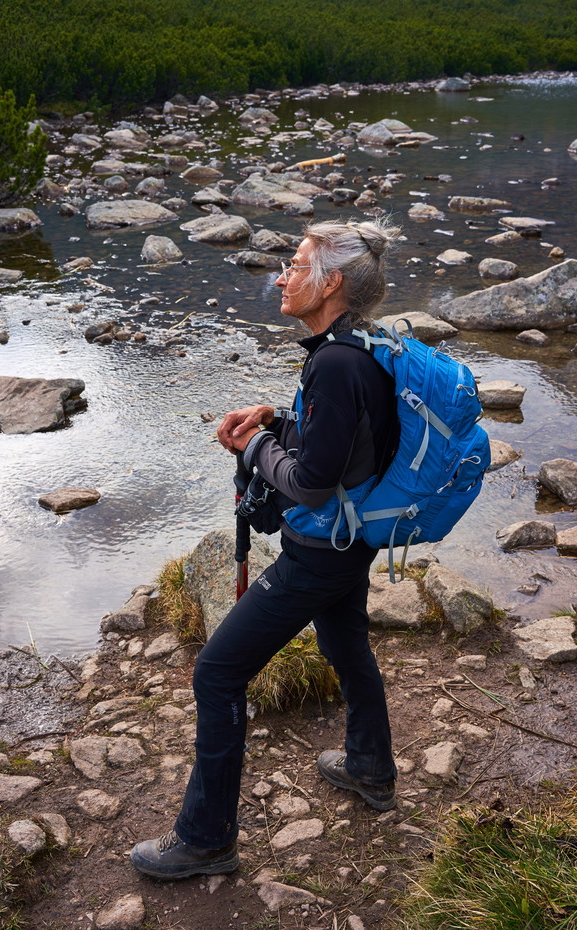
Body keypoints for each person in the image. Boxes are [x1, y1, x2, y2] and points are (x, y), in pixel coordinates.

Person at [130, 217, 401, 881]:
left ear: (330, 283)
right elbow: (348, 439)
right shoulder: (359, 343)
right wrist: (278, 420)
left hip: (321, 551)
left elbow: (310, 485)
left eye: (297, 264)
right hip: (355, 536)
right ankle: (370, 767)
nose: (282, 275)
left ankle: (206, 838)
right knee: (345, 646)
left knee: (217, 673)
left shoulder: (335, 360)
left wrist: (254, 447)